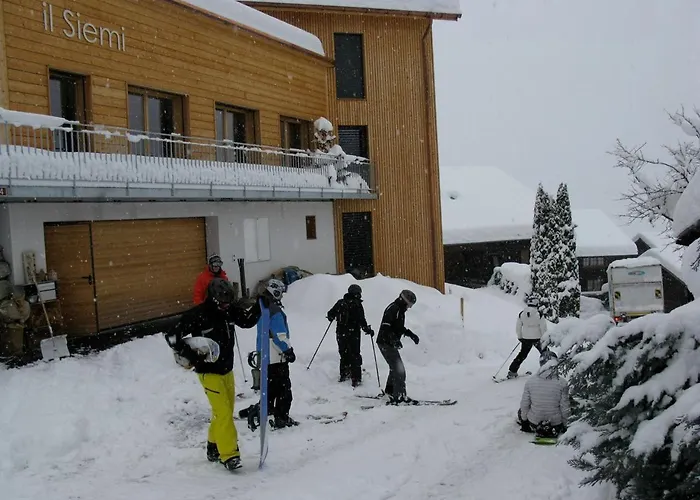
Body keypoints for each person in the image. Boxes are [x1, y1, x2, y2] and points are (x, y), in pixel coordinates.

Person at [165, 278, 261, 472]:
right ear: (214, 298)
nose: (227, 306)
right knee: (224, 413)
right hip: (208, 373)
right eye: (223, 302)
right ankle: (229, 455)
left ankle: (212, 447)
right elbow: (172, 336)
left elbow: (247, 321)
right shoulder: (198, 315)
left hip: (227, 370)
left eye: (229, 302)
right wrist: (190, 354)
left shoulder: (229, 311)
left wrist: (260, 305)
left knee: (223, 413)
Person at [255, 278, 298, 429]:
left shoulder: (262, 307)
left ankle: (264, 411)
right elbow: (280, 335)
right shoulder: (275, 311)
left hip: (265, 356)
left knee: (270, 388)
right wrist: (288, 351)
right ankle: (281, 417)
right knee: (284, 390)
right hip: (276, 357)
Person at [376, 289, 419, 404]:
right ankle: (399, 396)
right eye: (409, 305)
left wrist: (411, 334)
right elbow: (386, 327)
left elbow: (398, 328)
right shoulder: (393, 309)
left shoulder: (399, 310)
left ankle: (390, 392)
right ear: (404, 301)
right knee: (399, 370)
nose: (409, 308)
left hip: (388, 342)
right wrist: (394, 340)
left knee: (394, 368)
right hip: (385, 342)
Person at [327, 284, 375, 387]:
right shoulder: (357, 304)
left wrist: (331, 317)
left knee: (344, 353)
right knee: (355, 355)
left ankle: (344, 374)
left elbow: (330, 314)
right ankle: (356, 378)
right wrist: (367, 330)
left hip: (340, 333)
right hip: (353, 333)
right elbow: (361, 320)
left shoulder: (340, 303)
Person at [518, 350, 570, 437]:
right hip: (556, 424)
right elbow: (564, 407)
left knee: (521, 411)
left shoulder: (530, 382)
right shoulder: (562, 383)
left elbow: (525, 404)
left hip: (534, 423)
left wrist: (524, 422)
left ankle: (533, 426)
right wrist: (565, 425)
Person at [507, 296, 547, 379]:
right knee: (545, 353)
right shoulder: (539, 314)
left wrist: (520, 337)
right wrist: (545, 338)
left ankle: (512, 371)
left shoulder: (522, 314)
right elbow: (543, 328)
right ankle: (549, 369)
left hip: (525, 338)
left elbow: (518, 327)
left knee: (522, 354)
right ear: (536, 303)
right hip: (537, 338)